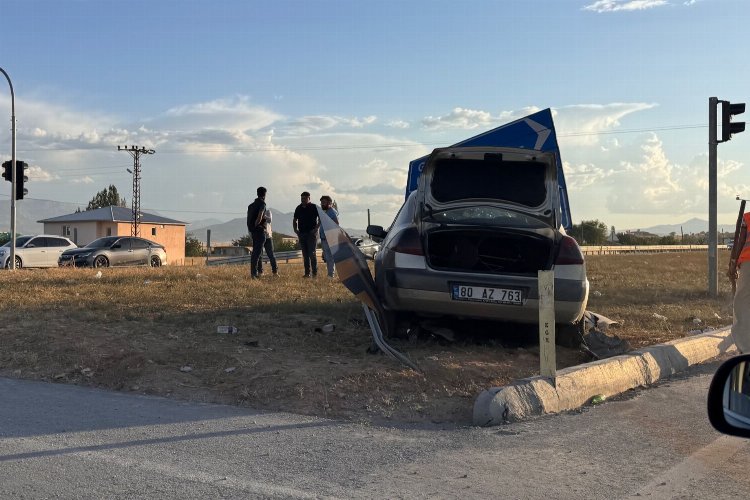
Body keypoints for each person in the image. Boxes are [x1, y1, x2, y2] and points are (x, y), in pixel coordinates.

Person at [729, 211, 750, 353]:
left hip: (749, 262)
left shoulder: (748, 217)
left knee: (742, 302)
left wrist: (733, 262)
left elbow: (741, 240)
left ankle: (746, 347)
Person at [293, 191, 319, 278]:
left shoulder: (314, 207)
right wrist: (295, 230)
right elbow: (294, 220)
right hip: (302, 234)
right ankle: (307, 273)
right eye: (301, 198)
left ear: (309, 198)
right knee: (305, 255)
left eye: (304, 198)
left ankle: (314, 273)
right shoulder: (298, 208)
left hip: (311, 234)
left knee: (312, 253)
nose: (302, 200)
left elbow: (320, 219)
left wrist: (316, 229)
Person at [246, 186, 267, 279]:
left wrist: (251, 229)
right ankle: (253, 274)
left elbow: (248, 218)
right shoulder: (262, 204)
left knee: (257, 252)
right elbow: (260, 215)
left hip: (253, 232)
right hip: (259, 230)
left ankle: (258, 272)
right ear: (264, 195)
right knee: (257, 254)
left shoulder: (251, 205)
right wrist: (257, 224)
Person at [319, 195, 339, 278]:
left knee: (330, 257)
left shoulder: (331, 211)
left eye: (324, 202)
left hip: (329, 238)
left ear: (329, 203)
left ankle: (331, 275)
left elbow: (336, 223)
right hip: (324, 238)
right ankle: (330, 274)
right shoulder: (326, 212)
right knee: (327, 257)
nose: (322, 204)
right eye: (321, 203)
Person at [257, 208, 279, 276]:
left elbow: (270, 220)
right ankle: (260, 272)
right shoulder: (256, 213)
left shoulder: (268, 211)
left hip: (268, 237)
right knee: (259, 255)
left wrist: (263, 215)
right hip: (259, 237)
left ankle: (275, 272)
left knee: (271, 255)